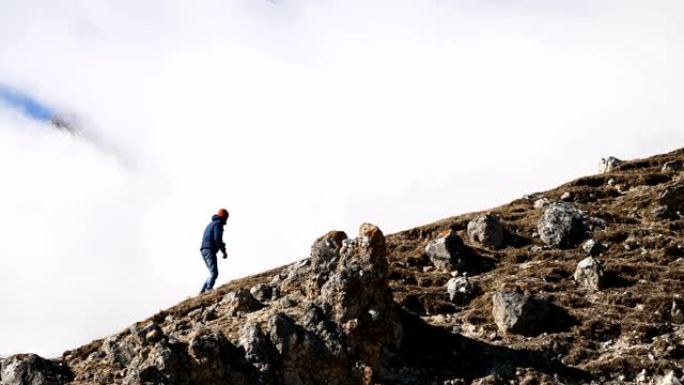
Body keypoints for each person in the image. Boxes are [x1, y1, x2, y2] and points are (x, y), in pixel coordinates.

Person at [199, 208, 229, 294]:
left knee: (211, 272)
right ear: (225, 217)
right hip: (209, 249)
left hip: (204, 249)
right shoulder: (218, 224)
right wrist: (224, 251)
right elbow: (217, 238)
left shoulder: (211, 223)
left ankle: (202, 291)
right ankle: (208, 289)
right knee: (214, 273)